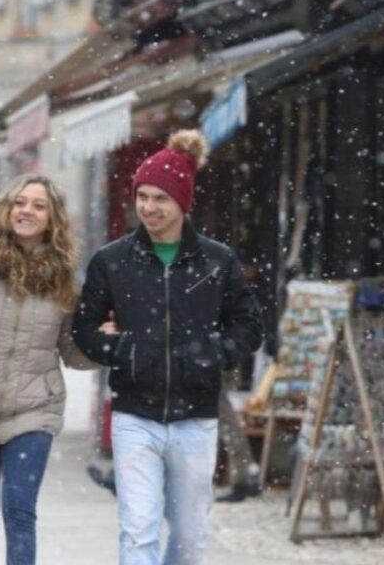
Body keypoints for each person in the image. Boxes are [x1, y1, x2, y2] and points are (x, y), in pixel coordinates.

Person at [73, 130, 263, 565]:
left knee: (190, 536)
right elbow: (83, 328)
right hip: (133, 416)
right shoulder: (112, 261)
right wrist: (121, 350)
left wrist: (212, 353)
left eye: (160, 198)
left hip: (196, 418)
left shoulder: (217, 261)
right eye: (142, 196)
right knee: (137, 530)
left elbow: (250, 327)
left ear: (182, 201)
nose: (149, 207)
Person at [0, 175, 98, 565]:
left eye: (38, 205)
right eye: (20, 202)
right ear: (7, 209)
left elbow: (72, 352)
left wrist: (107, 343)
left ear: (52, 217)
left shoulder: (63, 275)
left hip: (33, 411)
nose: (27, 211)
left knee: (20, 513)